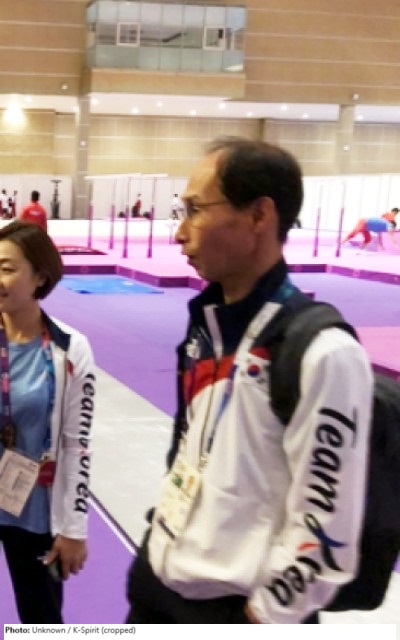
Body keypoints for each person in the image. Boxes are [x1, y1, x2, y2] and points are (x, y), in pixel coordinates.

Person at [125, 137, 373, 624]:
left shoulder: (324, 353)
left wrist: (264, 617)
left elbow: (327, 534)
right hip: (156, 591)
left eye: (195, 210)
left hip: (237, 612)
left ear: (260, 215)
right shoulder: (206, 330)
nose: (180, 233)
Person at [0, 220, 96, 623]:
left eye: (7, 268)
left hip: (34, 511)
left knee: (41, 621)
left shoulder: (70, 348)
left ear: (40, 276)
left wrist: (74, 527)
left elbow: (77, 444)